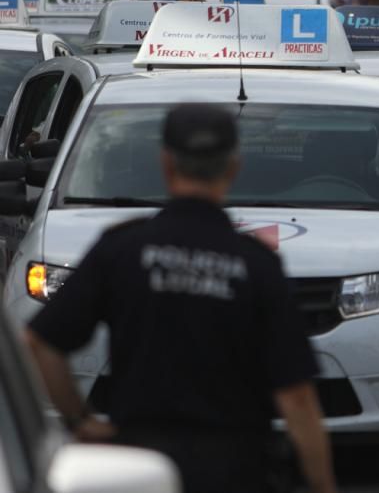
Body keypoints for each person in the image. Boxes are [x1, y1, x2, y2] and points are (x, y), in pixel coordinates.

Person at [24, 104, 337, 493]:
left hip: (137, 469)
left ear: (166, 164)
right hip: (235, 470)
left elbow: (40, 343)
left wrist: (80, 421)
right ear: (233, 168)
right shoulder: (257, 265)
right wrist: (322, 485)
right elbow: (297, 398)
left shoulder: (123, 249)